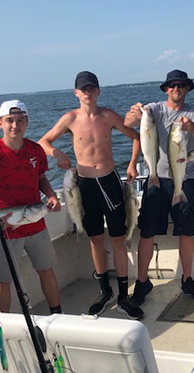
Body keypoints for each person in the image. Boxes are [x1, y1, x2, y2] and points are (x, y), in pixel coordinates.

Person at [38, 72, 144, 320]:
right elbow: (44, 141)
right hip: (83, 185)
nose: (88, 92)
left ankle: (123, 296)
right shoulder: (70, 119)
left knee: (118, 240)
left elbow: (136, 137)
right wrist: (57, 153)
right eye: (83, 89)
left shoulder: (109, 116)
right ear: (76, 93)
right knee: (95, 240)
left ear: (98, 91)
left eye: (92, 88)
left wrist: (132, 164)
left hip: (109, 182)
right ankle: (104, 291)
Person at [0, 100, 63, 315]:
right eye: (9, 120)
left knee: (47, 270)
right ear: (0, 123)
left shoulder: (36, 150)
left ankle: (58, 313)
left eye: (20, 120)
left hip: (35, 224)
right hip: (2, 231)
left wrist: (52, 195)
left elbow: (41, 178)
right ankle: (4, 323)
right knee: (3, 281)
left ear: (27, 122)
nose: (15, 126)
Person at [124, 69, 194, 307]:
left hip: (185, 178)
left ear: (188, 88)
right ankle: (142, 281)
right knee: (147, 231)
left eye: (181, 85)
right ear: (166, 89)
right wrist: (134, 113)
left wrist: (190, 126)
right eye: (172, 85)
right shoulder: (154, 109)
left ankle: (187, 278)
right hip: (156, 179)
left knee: (187, 231)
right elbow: (129, 123)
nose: (176, 88)